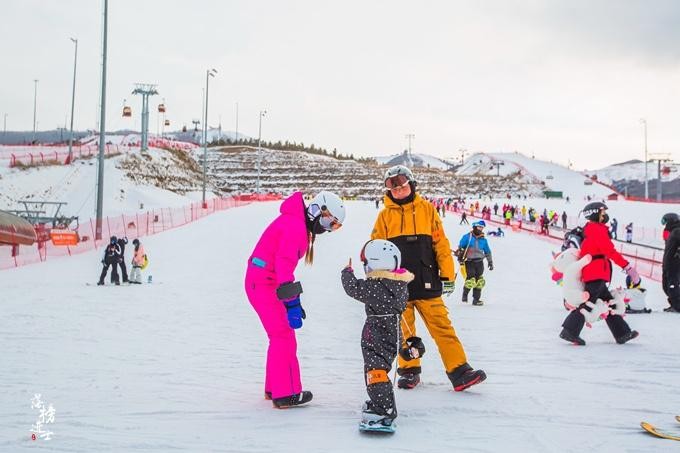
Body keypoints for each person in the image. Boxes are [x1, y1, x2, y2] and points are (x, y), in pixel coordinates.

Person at [371, 165, 486, 392]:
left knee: (442, 326)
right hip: (398, 285)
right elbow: (376, 249)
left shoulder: (427, 210)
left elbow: (440, 244)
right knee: (405, 331)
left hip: (427, 279)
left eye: (401, 183)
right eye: (392, 186)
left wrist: (446, 273)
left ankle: (460, 371)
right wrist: (378, 280)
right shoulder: (384, 216)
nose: (397, 189)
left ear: (411, 184)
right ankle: (409, 371)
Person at [245, 190, 345, 408]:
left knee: (279, 335)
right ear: (319, 210)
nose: (328, 229)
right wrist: (291, 302)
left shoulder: (296, 223)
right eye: (330, 223)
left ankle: (275, 388)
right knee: (284, 336)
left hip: (262, 281)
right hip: (263, 283)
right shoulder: (296, 228)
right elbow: (283, 266)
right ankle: (285, 393)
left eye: (334, 226)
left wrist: (292, 301)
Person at [341, 240, 415, 430]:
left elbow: (353, 289)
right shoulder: (399, 285)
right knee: (378, 370)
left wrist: (347, 273)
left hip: (377, 334)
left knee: (375, 372)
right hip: (391, 330)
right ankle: (378, 403)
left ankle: (385, 410)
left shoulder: (376, 286)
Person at [559, 202, 641, 345]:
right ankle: (569, 330)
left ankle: (622, 333)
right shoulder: (596, 229)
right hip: (594, 273)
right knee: (589, 302)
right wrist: (627, 267)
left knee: (609, 303)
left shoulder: (595, 229)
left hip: (597, 272)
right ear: (595, 213)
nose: (605, 215)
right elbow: (609, 251)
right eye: (603, 212)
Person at [455, 220, 493, 306]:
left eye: (482, 228)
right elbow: (461, 248)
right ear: (474, 227)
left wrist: (490, 262)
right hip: (469, 262)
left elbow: (487, 251)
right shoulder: (467, 237)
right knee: (471, 280)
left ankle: (476, 300)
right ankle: (465, 295)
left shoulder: (484, 240)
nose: (480, 229)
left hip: (479, 262)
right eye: (479, 227)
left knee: (479, 281)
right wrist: (460, 255)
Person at [661, 213, 680, 313]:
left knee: (672, 285)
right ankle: (674, 303)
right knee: (665, 286)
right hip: (668, 262)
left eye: (665, 221)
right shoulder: (672, 232)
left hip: (675, 263)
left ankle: (677, 306)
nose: (664, 224)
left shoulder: (677, 231)